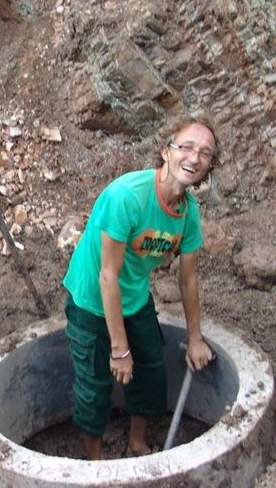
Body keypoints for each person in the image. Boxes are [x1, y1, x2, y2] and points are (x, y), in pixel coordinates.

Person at [62, 116, 218, 459]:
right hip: (91, 298)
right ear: (166, 151)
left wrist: (195, 338)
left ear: (209, 167)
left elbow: (188, 277)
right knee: (94, 385)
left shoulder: (188, 213)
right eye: (187, 147)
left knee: (151, 369)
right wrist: (119, 349)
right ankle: (96, 465)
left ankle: (137, 443)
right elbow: (107, 276)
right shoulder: (127, 197)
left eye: (205, 153)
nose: (194, 158)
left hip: (133, 295)